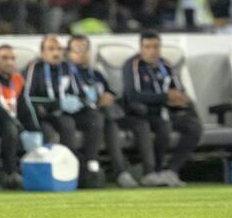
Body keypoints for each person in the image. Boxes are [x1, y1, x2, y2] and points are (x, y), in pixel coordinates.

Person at [122, 31, 203, 187]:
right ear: (141, 48)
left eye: (156, 47)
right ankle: (153, 171)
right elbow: (133, 95)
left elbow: (177, 90)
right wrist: (165, 97)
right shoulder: (133, 65)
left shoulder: (166, 65)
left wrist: (180, 99)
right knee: (162, 126)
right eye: (148, 47)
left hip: (169, 111)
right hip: (145, 113)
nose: (152, 51)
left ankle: (171, 170)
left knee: (194, 127)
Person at [24, 35, 104, 187]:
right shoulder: (35, 68)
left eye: (59, 49)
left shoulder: (68, 68)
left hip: (68, 111)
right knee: (66, 123)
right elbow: (28, 99)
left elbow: (80, 93)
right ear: (42, 52)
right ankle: (70, 169)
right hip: (45, 114)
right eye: (51, 49)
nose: (56, 53)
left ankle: (91, 164)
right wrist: (56, 103)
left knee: (94, 117)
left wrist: (82, 101)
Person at [64, 35, 140, 188]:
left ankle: (119, 171)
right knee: (98, 118)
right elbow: (65, 98)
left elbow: (109, 92)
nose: (81, 53)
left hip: (98, 116)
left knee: (110, 123)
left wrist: (108, 96)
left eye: (85, 49)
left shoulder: (96, 74)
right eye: (77, 49)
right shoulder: (65, 73)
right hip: (76, 116)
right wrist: (96, 101)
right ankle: (92, 166)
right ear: (69, 53)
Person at [0, 45, 41, 189]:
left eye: (12, 58)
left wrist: (34, 130)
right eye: (4, 58)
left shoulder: (18, 80)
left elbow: (25, 107)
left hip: (8, 120)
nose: (9, 62)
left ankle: (11, 174)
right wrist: (18, 126)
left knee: (40, 131)